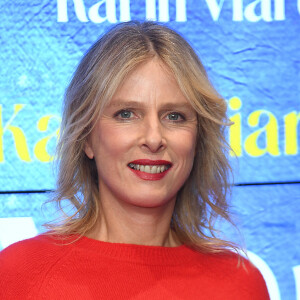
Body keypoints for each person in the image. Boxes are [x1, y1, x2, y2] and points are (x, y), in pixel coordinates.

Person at [0, 21, 270, 299]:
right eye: (126, 114)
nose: (154, 138)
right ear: (87, 138)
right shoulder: (19, 275)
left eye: (174, 116)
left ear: (197, 139)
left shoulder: (240, 283)